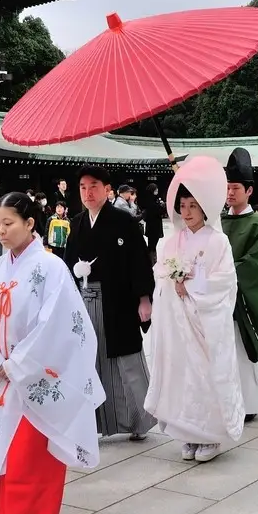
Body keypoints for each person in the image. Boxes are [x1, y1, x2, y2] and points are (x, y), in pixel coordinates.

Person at [0, 192, 104, 514]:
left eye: (10, 223)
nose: (2, 230)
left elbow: (58, 327)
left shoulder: (50, 268)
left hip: (33, 381)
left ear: (30, 224)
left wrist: (18, 364)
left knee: (28, 461)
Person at [146, 156, 243, 462]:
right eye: (182, 205)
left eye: (192, 206)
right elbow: (160, 272)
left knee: (203, 374)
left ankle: (210, 436)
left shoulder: (218, 242)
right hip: (176, 321)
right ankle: (186, 433)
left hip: (202, 319)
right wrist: (171, 279)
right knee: (179, 374)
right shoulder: (170, 242)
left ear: (204, 208)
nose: (186, 212)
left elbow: (225, 280)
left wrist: (190, 284)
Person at [64, 167, 156, 441]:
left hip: (118, 300)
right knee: (90, 360)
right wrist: (75, 269)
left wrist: (143, 299)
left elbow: (139, 261)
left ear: (107, 190)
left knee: (125, 361)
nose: (88, 192)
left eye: (94, 186)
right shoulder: (77, 222)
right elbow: (67, 261)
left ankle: (139, 420)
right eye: (82, 187)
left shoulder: (123, 220)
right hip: (85, 298)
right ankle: (97, 423)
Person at [222, 148, 258, 416]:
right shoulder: (215, 221)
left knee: (243, 352)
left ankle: (250, 404)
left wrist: (223, 273)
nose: (230, 193)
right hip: (219, 298)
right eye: (227, 188)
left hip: (243, 299)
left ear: (249, 191)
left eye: (235, 188)